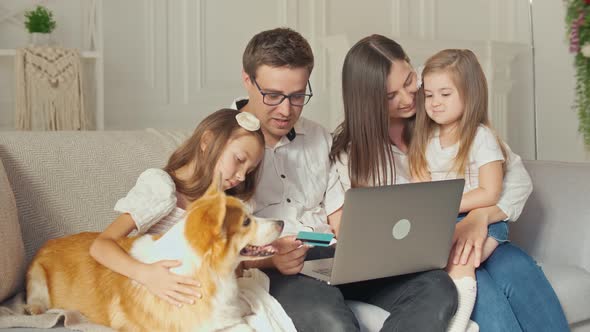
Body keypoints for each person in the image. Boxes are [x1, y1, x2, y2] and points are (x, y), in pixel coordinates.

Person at [330, 34, 569, 332]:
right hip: (429, 257)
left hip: (475, 228)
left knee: (517, 268)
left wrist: (482, 216)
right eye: (390, 96)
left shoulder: (442, 118)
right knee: (483, 290)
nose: (408, 99)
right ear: (367, 100)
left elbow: (517, 178)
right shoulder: (352, 155)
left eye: (409, 82)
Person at [233, 27, 457, 332]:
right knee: (332, 322)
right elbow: (213, 239)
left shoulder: (320, 138)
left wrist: (372, 249)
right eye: (272, 96)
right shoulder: (224, 142)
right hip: (277, 266)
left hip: (333, 256)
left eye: (297, 96)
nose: (286, 110)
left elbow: (341, 220)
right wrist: (270, 261)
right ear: (248, 80)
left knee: (435, 285)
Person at [89, 109, 265, 307]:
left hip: (202, 296)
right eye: (239, 160)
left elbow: (231, 264)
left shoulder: (229, 206)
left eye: (249, 171)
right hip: (156, 294)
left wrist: (269, 257)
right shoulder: (162, 189)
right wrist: (145, 274)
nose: (242, 176)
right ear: (207, 141)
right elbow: (101, 246)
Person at [408, 48, 512, 332]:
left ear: (470, 94)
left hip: (486, 224)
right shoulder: (426, 139)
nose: (435, 103)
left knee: (458, 260)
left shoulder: (481, 136)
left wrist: (445, 206)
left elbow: (490, 192)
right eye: (428, 95)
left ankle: (459, 324)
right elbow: (423, 192)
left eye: (445, 94)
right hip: (445, 219)